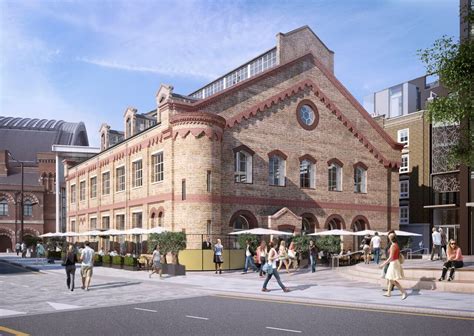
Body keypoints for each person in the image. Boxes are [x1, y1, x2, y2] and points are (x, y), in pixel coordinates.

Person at [380, 233, 407, 300]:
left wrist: (383, 264)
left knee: (392, 280)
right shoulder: (396, 245)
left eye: (389, 237)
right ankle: (389, 293)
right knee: (390, 278)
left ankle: (403, 292)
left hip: (393, 263)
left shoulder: (393, 246)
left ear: (390, 238)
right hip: (395, 263)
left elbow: (390, 257)